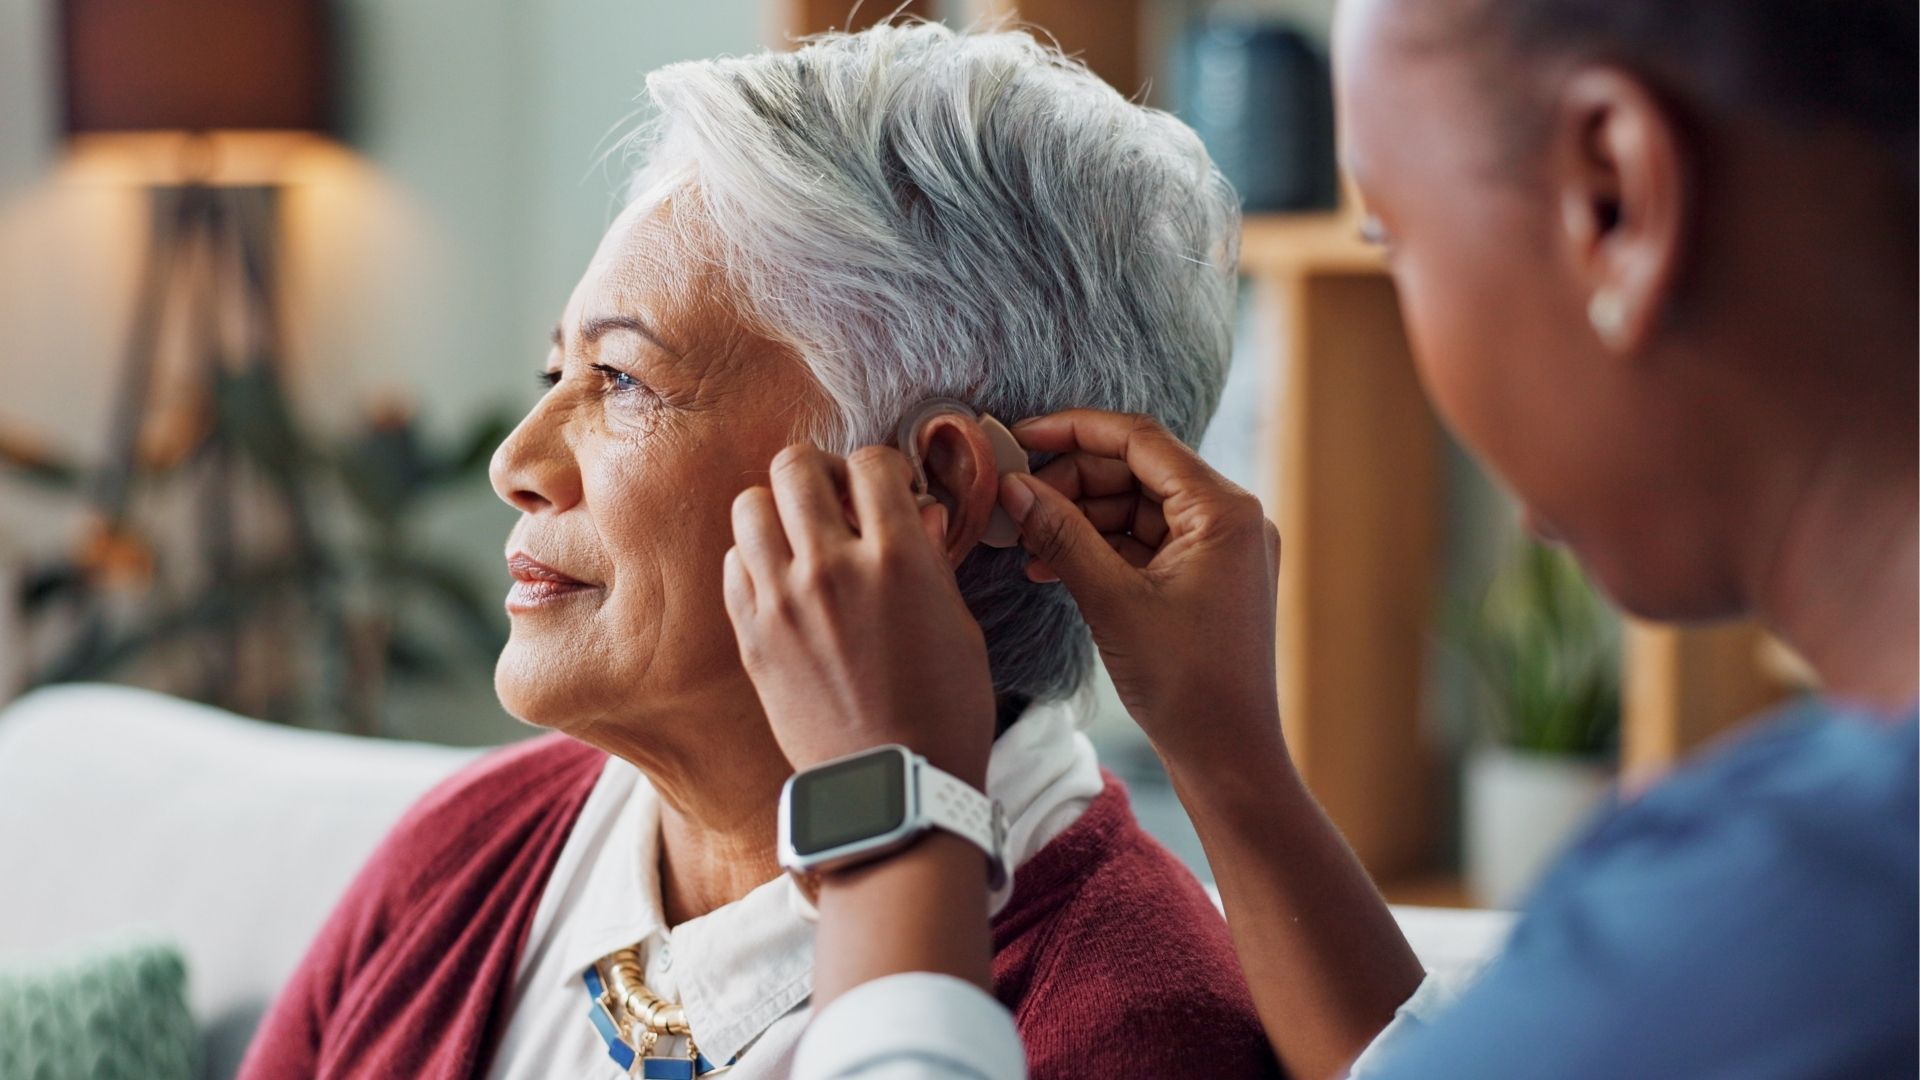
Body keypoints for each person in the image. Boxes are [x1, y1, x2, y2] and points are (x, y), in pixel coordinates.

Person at [723, 0, 1920, 1077]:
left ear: (1614, 195)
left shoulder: (1789, 922)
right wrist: (1229, 751)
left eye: (1396, 241)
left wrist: (891, 814)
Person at [238, 22, 1283, 1080]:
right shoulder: (465, 855)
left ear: (929, 490)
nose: (516, 462)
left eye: (623, 380)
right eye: (556, 374)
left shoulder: (1133, 1028)